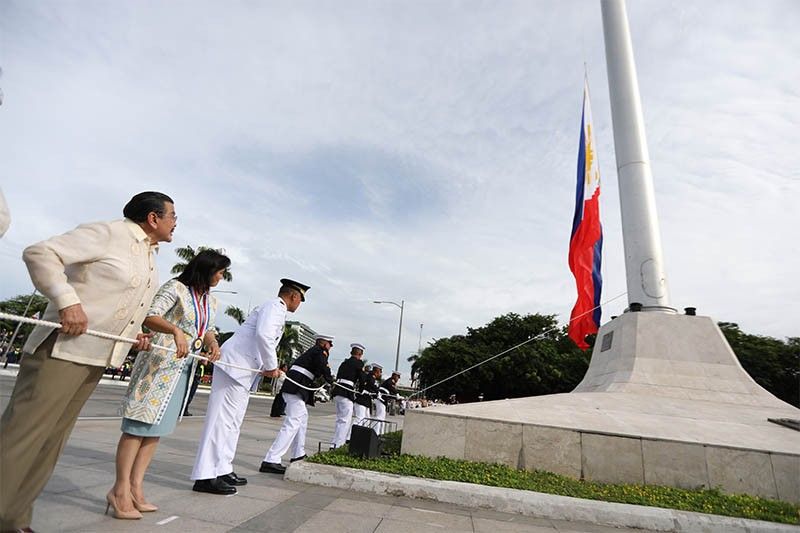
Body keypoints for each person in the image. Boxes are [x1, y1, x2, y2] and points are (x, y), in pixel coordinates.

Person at [0, 191, 175, 530]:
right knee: (21, 437)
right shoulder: (110, 233)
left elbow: (121, 303)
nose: (174, 224)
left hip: (95, 357)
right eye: (172, 217)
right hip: (61, 351)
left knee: (51, 442)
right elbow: (40, 253)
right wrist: (67, 302)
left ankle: (13, 518)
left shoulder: (149, 255)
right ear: (153, 218)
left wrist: (132, 333)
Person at [109, 249, 229, 519]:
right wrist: (175, 330)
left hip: (182, 370)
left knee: (156, 430)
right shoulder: (175, 288)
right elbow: (150, 316)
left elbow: (206, 328)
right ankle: (119, 490)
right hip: (158, 366)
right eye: (220, 272)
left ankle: (136, 488)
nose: (222, 277)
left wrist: (213, 343)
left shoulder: (210, 301)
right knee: (137, 427)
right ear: (207, 269)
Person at [191, 278, 309, 495]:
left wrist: (267, 366)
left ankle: (223, 468)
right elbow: (263, 335)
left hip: (242, 372)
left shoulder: (277, 310)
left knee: (233, 423)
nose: (298, 304)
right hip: (234, 366)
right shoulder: (275, 307)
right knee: (220, 422)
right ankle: (205, 475)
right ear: (294, 296)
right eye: (300, 299)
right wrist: (272, 366)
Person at [260, 334, 334, 473]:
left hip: (297, 384)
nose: (331, 347)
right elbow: (322, 367)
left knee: (302, 418)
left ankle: (297, 454)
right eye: (330, 344)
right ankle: (271, 459)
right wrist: (330, 378)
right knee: (293, 421)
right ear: (324, 344)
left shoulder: (313, 351)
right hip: (297, 385)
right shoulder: (319, 352)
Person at [329, 343, 365, 449]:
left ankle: (334, 443)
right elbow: (362, 378)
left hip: (338, 391)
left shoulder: (344, 363)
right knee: (345, 420)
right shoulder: (359, 363)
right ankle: (338, 445)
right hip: (346, 392)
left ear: (351, 352)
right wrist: (361, 390)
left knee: (340, 419)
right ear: (361, 354)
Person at [354, 363, 381, 430]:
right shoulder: (370, 377)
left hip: (366, 401)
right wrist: (377, 392)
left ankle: (362, 436)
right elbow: (372, 385)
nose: (380, 374)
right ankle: (350, 436)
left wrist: (376, 393)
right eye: (379, 372)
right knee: (359, 419)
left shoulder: (372, 378)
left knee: (366, 420)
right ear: (376, 372)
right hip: (361, 400)